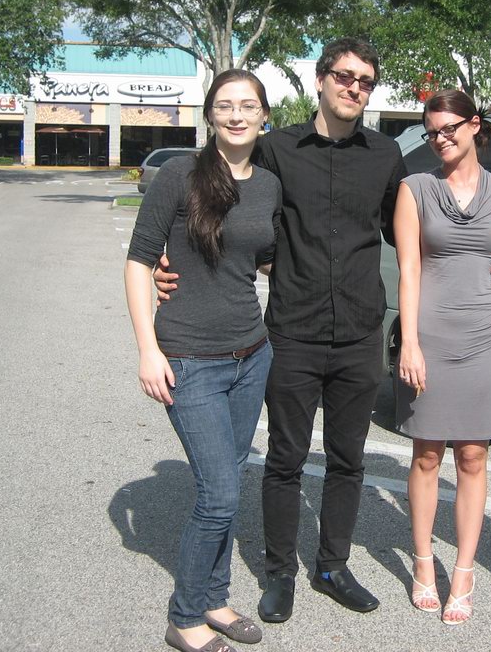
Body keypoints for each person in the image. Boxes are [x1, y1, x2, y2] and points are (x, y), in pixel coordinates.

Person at [155, 38, 407, 624]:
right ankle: (280, 574)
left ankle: (333, 567)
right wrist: (170, 264)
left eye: (365, 81)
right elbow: (222, 209)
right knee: (285, 460)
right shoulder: (275, 149)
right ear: (320, 79)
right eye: (344, 76)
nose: (354, 87)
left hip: (361, 332)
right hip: (292, 331)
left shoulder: (386, 154)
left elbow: (408, 234)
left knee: (348, 459)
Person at [125, 69, 282, 652]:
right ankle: (185, 616)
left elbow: (262, 258)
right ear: (210, 114)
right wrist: (148, 348)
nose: (237, 115)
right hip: (189, 358)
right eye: (225, 105)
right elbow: (139, 260)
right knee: (218, 494)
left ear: (264, 115)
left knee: (227, 486)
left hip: (251, 355)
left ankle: (215, 598)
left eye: (248, 105)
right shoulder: (179, 175)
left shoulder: (268, 185)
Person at [393, 89, 491, 625]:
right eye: (432, 132)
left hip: (485, 335)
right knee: (426, 455)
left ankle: (463, 572)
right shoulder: (415, 189)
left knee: (473, 456)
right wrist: (410, 343)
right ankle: (424, 563)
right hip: (431, 335)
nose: (440, 139)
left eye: (449, 128)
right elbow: (409, 271)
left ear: (475, 125)